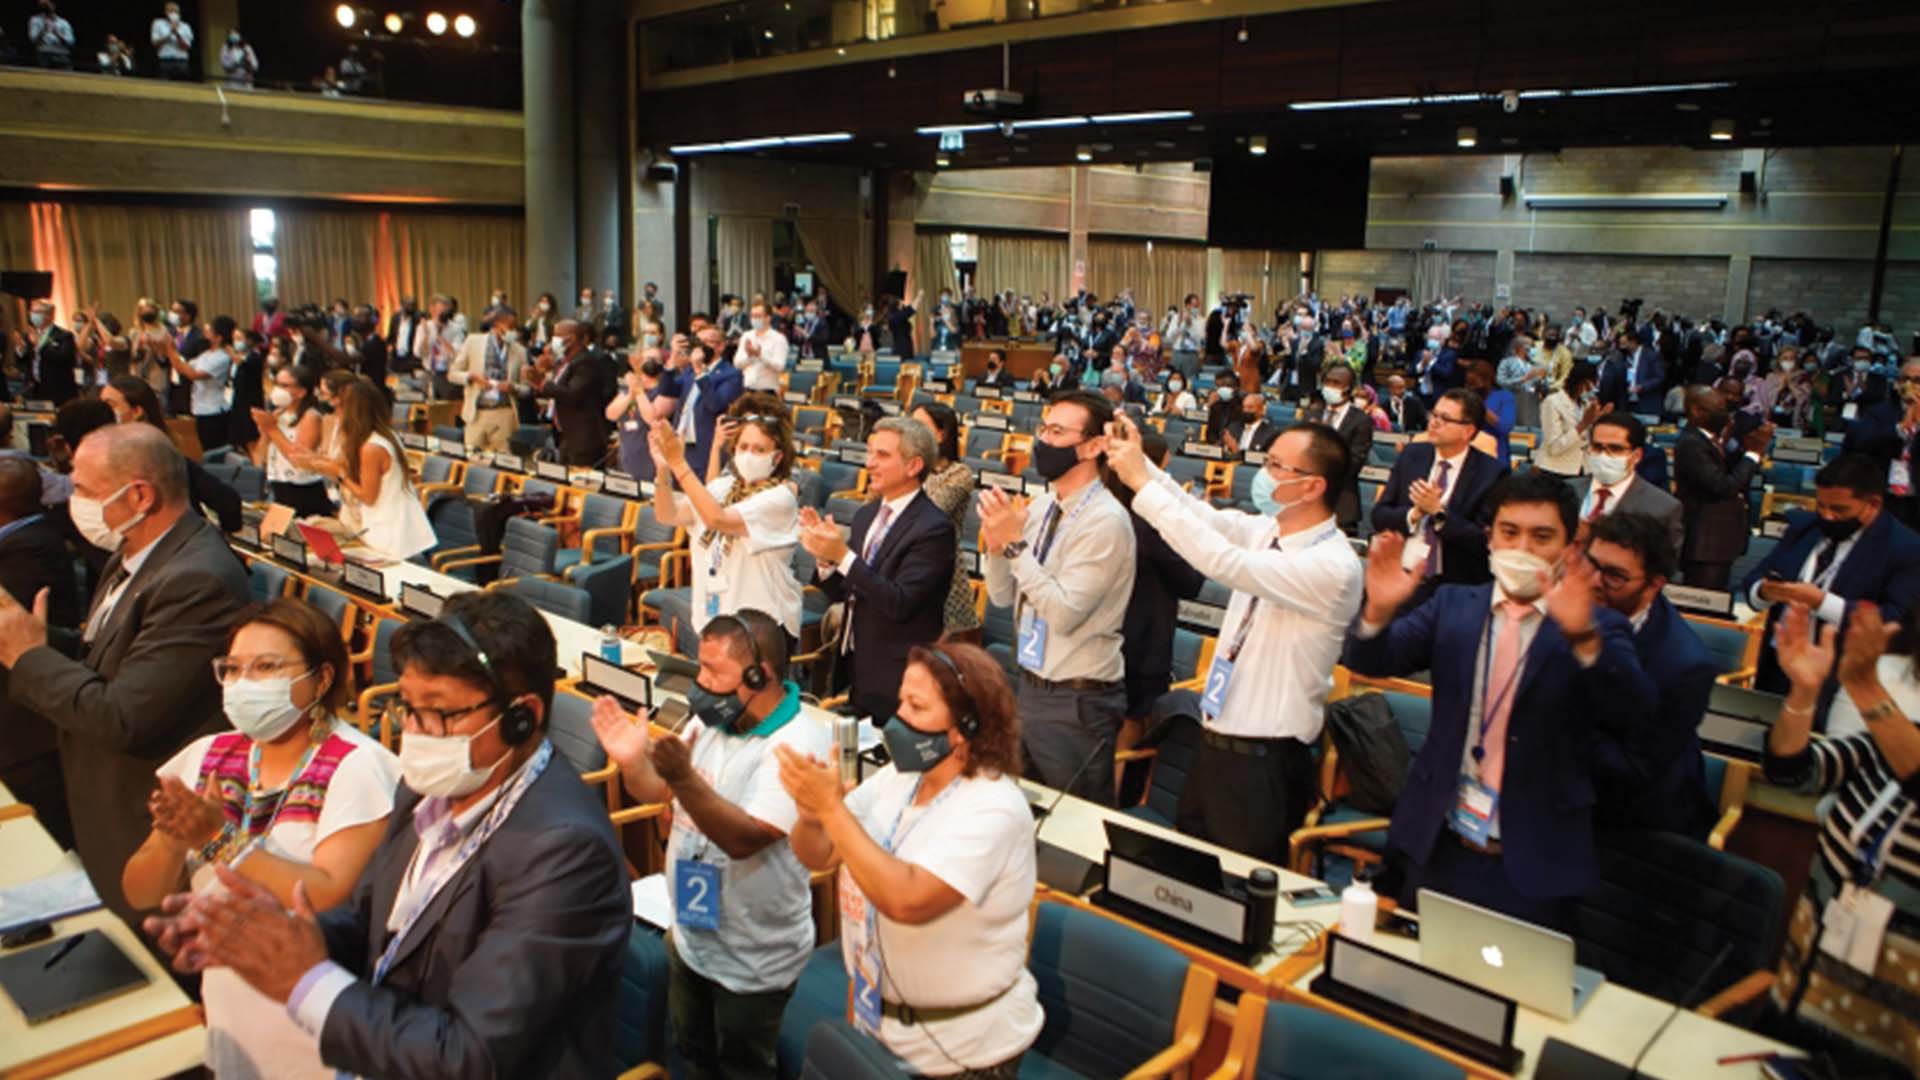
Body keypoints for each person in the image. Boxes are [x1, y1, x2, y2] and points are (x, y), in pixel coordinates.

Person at [143, 591, 631, 1078]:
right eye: (409, 708)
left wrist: (305, 979)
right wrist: (273, 930)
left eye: (441, 713)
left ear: (522, 716)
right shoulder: (426, 789)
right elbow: (368, 920)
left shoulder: (563, 850)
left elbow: (467, 1057)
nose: (417, 734)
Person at [1344, 472, 1656, 928]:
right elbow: (1371, 659)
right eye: (1510, 532)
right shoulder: (1453, 604)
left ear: (1570, 548)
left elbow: (1633, 714)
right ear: (1490, 537)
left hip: (1532, 854)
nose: (1523, 548)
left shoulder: (1600, 627)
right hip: (1438, 837)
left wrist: (1582, 637)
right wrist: (1379, 609)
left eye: (1542, 536)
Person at [123, 598, 399, 1079]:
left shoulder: (357, 765)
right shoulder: (208, 755)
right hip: (229, 1005)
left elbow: (327, 895)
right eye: (232, 668)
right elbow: (141, 891)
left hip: (310, 1010)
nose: (244, 682)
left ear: (323, 678)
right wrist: (171, 841)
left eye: (267, 667)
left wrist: (215, 836)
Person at [0, 424, 250, 926]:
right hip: (99, 805)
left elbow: (123, 716)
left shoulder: (196, 578)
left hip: (144, 818)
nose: (75, 502)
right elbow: (112, 656)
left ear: (138, 495)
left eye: (86, 492)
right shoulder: (135, 552)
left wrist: (29, 657)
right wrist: (45, 640)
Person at [780, 643, 1043, 1077]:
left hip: (961, 1051)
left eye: (916, 707)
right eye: (901, 701)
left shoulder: (995, 807)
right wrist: (811, 818)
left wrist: (830, 809)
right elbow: (821, 852)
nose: (898, 718)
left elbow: (906, 900)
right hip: (875, 1016)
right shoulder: (899, 777)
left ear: (966, 727)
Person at [1110, 414, 1362, 858]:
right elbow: (1204, 518)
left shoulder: (1333, 566)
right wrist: (1143, 469)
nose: (1264, 475)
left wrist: (1142, 488)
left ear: (1313, 486)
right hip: (1214, 742)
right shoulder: (1270, 530)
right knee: (1188, 884)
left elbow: (1223, 562)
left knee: (1237, 899)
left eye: (1277, 466)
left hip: (1264, 760)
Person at [589, 610, 828, 1078]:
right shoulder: (711, 721)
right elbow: (658, 790)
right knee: (692, 1058)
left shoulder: (797, 742)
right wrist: (635, 763)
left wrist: (681, 777)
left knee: (742, 1068)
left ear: (760, 676)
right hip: (692, 938)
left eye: (713, 671)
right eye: (699, 667)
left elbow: (744, 838)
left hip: (753, 958)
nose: (700, 682)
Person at [1764, 603, 1920, 1076]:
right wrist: (1803, 693)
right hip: (1806, 995)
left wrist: (1864, 686)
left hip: (1896, 1040)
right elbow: (1792, 770)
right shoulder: (1896, 738)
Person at [980, 391, 1135, 804]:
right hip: (1031, 681)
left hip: (1078, 698)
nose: (1044, 441)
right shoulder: (1046, 504)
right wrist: (997, 550)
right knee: (1024, 809)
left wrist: (1015, 549)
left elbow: (1064, 614)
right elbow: (1000, 597)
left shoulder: (1107, 521)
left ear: (1093, 446)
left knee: (1074, 821)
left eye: (1058, 431)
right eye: (1044, 428)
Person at [800, 417, 956, 722]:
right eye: (870, 453)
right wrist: (826, 559)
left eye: (882, 455)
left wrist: (842, 555)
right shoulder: (867, 514)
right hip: (856, 664)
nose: (870, 463)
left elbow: (899, 602)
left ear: (913, 466)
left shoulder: (934, 528)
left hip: (899, 671)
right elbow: (849, 590)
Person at [1742, 454, 1920, 705]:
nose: (1827, 516)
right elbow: (1754, 579)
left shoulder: (1905, 549)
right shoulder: (1804, 528)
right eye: (1821, 506)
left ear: (1873, 504)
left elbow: (1896, 620)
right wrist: (1765, 591)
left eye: (1839, 509)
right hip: (1778, 666)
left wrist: (1823, 603)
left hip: (1843, 679)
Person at [1583, 512, 1716, 838]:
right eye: (1592, 564)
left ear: (1654, 584)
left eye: (1614, 575)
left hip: (1634, 825)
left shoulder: (1685, 665)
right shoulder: (1571, 604)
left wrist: (1550, 718)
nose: (1594, 582)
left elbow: (1633, 769)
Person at [650, 412, 803, 641]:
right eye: (743, 447)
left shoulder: (780, 498)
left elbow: (717, 519)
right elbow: (667, 514)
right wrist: (663, 469)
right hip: (714, 616)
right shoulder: (722, 486)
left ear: (777, 457)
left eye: (759, 450)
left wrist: (679, 464)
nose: (749, 455)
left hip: (761, 626)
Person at [1111, 428, 1205, 769]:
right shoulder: (1152, 525)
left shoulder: (1105, 509)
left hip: (1105, 639)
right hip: (1141, 643)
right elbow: (1190, 582)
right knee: (1130, 726)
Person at [1372, 388, 1509, 594]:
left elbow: (1484, 540)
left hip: (1454, 584)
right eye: (1434, 415)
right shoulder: (1413, 455)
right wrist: (1413, 514)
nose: (1434, 423)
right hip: (1400, 574)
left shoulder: (1491, 473)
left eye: (1445, 418)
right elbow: (1379, 515)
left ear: (1468, 431)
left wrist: (1438, 513)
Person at [295, 379, 435, 561]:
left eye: (341, 407)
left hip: (392, 534)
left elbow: (368, 496)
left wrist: (340, 474)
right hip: (382, 526)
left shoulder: (372, 448)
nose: (336, 412)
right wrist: (316, 463)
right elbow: (344, 466)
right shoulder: (381, 436)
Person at [103, 375, 244, 534]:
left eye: (110, 405)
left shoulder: (163, 459)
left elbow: (227, 501)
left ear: (137, 411)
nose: (101, 411)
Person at [1674, 385, 1772, 588]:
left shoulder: (1709, 440)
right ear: (1697, 411)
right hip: (1705, 544)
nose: (1725, 413)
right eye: (1719, 409)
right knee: (1704, 608)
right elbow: (1723, 486)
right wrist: (1753, 453)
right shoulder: (1692, 443)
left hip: (1718, 541)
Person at [912, 402, 982, 643]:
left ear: (941, 434)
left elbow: (928, 513)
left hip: (944, 574)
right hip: (907, 564)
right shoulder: (910, 469)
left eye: (920, 426)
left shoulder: (959, 474)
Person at [1569, 413, 1685, 556]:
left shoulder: (1662, 508)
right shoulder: (1564, 491)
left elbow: (1662, 566)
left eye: (1615, 449)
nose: (1604, 456)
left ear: (1636, 456)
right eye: (1597, 447)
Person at [1841, 356, 1920, 532]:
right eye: (1905, 379)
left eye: (1917, 380)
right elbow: (1859, 443)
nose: (1910, 385)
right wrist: (1899, 429)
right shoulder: (1878, 412)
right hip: (1883, 497)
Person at [249, 364, 333, 518]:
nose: (278, 389)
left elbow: (298, 459)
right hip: (278, 486)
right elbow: (258, 458)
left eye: (284, 385)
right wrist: (265, 432)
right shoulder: (277, 414)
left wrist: (272, 430)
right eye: (276, 383)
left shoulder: (310, 417)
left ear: (301, 392)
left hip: (303, 490)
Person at [1299, 365, 1374, 534]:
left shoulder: (1361, 421)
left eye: (1336, 383)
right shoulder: (1312, 414)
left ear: (1349, 388)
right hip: (1305, 503)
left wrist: (1326, 442)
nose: (1330, 386)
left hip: (1341, 506)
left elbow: (1354, 464)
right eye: (1327, 381)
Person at [530, 320, 615, 467]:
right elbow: (554, 390)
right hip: (566, 434)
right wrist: (538, 380)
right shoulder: (565, 362)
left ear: (571, 338)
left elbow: (572, 394)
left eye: (557, 335)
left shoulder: (586, 362)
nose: (553, 340)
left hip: (584, 438)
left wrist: (543, 384)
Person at [450, 306, 528, 452]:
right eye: (510, 327)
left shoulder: (520, 351)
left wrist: (513, 387)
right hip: (476, 414)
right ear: (496, 325)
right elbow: (453, 373)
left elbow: (527, 388)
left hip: (504, 414)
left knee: (504, 463)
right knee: (472, 459)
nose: (513, 331)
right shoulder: (473, 342)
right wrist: (472, 377)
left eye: (515, 327)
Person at [671, 328, 745, 481]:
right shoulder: (689, 370)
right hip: (682, 442)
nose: (700, 347)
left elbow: (715, 404)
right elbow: (667, 390)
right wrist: (673, 358)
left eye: (706, 342)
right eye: (698, 342)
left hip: (706, 446)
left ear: (720, 346)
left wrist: (700, 371)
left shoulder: (731, 374)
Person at [609, 344, 680, 483]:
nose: (650, 363)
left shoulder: (667, 391)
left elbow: (652, 418)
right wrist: (631, 394)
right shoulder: (631, 388)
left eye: (655, 359)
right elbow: (611, 414)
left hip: (651, 462)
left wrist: (639, 392)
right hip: (627, 459)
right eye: (647, 359)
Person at [168, 312, 236, 455]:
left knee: (215, 452)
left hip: (213, 411)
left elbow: (194, 375)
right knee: (205, 448)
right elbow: (184, 367)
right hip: (200, 408)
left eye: (210, 331)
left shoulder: (222, 357)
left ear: (219, 337)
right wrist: (171, 352)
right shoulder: (206, 354)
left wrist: (171, 351)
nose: (205, 333)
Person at [1535, 365, 1600, 481]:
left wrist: (1597, 420)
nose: (1590, 392)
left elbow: (1586, 439)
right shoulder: (1553, 402)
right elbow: (1554, 447)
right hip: (1555, 470)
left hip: (1581, 468)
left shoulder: (1584, 404)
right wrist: (1583, 425)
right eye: (1588, 387)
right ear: (1578, 382)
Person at [11, 298, 79, 406]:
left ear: (50, 315)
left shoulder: (64, 335)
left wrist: (40, 345)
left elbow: (65, 358)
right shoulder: (29, 335)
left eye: (37, 312)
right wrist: (21, 349)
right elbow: (23, 362)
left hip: (57, 390)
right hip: (35, 390)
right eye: (32, 312)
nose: (33, 315)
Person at [1465, 361, 1516, 466]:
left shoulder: (1504, 397)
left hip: (1496, 454)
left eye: (1475, 383)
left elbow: (1505, 427)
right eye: (1469, 383)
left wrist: (1479, 406)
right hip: (1469, 452)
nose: (1472, 387)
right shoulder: (1465, 397)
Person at [736, 302, 789, 394]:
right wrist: (750, 356)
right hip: (747, 388)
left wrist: (760, 355)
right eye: (752, 316)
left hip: (767, 390)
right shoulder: (746, 336)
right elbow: (737, 364)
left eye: (758, 316)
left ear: (768, 318)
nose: (754, 319)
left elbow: (780, 366)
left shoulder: (779, 338)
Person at [1220, 389, 1280, 456]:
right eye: (1244, 407)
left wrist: (1236, 450)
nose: (1246, 411)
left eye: (1250, 407)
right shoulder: (1233, 427)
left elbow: (1261, 458)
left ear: (1261, 410)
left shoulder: (1270, 434)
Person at [151, 2, 195, 79]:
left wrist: (177, 34)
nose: (173, 13)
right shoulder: (158, 23)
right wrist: (170, 33)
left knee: (182, 88)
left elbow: (187, 47)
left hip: (181, 62)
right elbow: (155, 43)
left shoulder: (185, 26)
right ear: (165, 12)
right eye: (170, 10)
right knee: (163, 87)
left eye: (175, 11)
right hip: (164, 61)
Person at [28, 0, 73, 69]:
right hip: (44, 53)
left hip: (61, 54)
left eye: (48, 3)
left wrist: (58, 34)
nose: (46, 6)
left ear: (54, 5)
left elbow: (71, 41)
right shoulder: (35, 20)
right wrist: (43, 31)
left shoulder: (63, 23)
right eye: (43, 4)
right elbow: (33, 40)